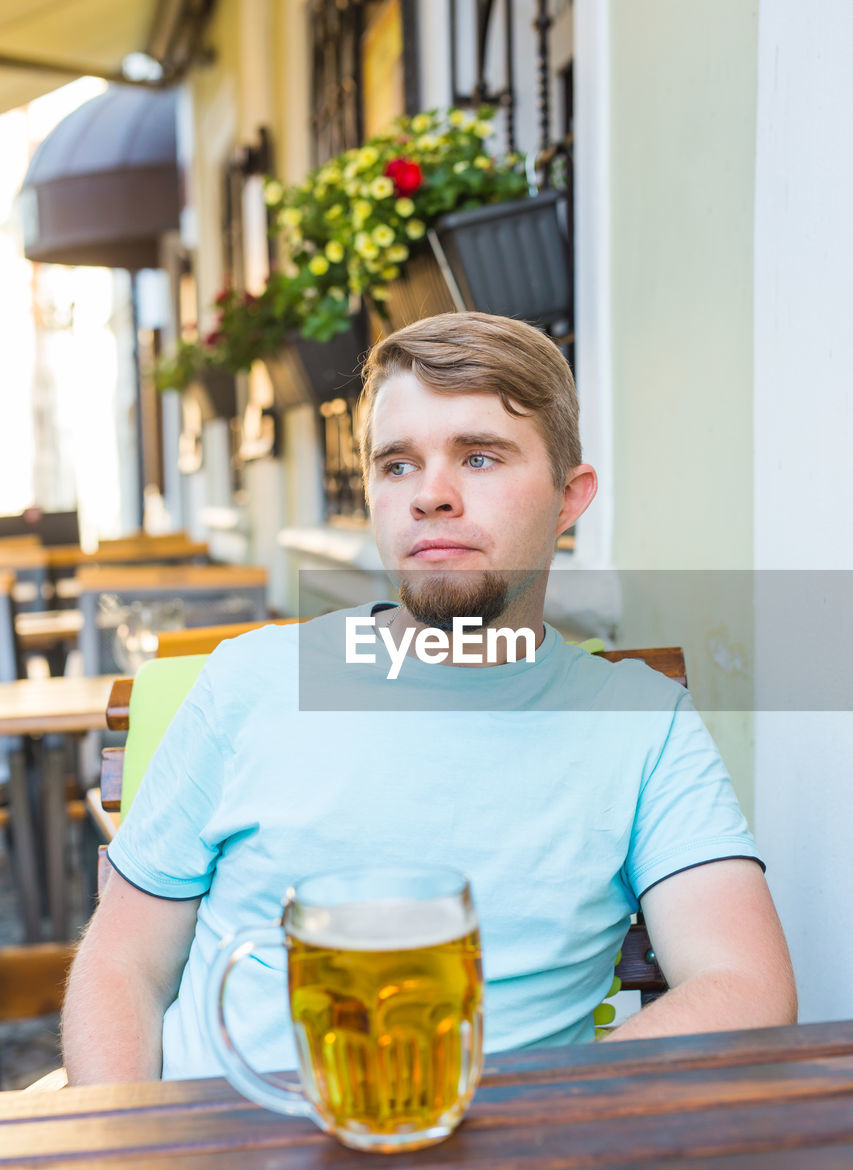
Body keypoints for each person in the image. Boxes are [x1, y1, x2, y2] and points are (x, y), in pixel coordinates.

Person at [62, 312, 796, 1084]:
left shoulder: (639, 722)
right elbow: (123, 966)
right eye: (397, 465)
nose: (430, 496)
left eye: (479, 458)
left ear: (568, 498)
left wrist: (537, 1126)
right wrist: (127, 1153)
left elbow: (742, 983)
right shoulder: (251, 680)